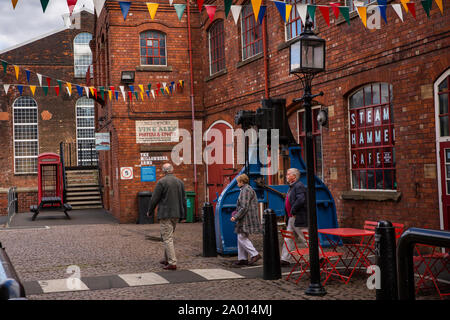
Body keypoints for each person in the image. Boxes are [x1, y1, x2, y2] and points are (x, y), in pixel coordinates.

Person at [147, 163, 187, 271]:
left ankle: (172, 262)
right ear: (172, 170)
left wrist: (150, 211)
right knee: (168, 236)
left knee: (167, 238)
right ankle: (166, 258)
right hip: (176, 214)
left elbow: (154, 198)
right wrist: (184, 215)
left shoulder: (161, 182)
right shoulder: (180, 182)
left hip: (165, 214)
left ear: (163, 171)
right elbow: (184, 199)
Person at [230, 174, 262, 267]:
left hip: (246, 218)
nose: (237, 184)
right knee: (241, 236)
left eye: (238, 182)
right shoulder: (246, 189)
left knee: (241, 237)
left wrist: (235, 216)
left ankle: (255, 254)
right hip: (246, 217)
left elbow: (244, 207)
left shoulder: (246, 190)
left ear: (242, 182)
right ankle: (242, 258)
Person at [280, 168, 308, 266]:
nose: (286, 176)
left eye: (288, 174)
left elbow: (301, 200)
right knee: (289, 239)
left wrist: (293, 210)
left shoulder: (298, 186)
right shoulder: (292, 187)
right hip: (292, 218)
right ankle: (285, 259)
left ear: (294, 176)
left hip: (298, 218)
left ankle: (319, 257)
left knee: (306, 238)